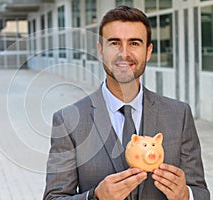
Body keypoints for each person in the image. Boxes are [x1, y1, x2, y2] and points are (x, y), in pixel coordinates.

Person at [43, 5, 210, 200]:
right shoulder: (69, 121)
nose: (124, 53)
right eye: (114, 43)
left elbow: (200, 193)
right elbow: (54, 197)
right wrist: (95, 197)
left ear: (148, 52)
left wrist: (186, 195)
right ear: (100, 51)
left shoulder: (179, 115)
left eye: (134, 43)